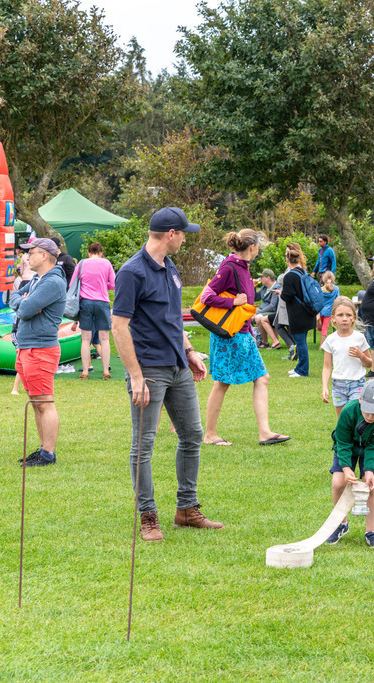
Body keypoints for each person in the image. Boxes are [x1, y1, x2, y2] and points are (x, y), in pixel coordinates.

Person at [111, 206, 224, 542]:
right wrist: (136, 375)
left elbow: (173, 318)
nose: (185, 238)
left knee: (192, 434)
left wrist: (189, 351)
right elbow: (119, 325)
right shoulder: (132, 272)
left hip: (177, 366)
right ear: (171, 234)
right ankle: (148, 517)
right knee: (143, 445)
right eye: (183, 233)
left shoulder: (169, 266)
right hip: (149, 370)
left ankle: (186, 510)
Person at [200, 229, 290, 446]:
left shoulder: (243, 267)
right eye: (259, 247)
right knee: (222, 383)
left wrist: (249, 331)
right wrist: (232, 303)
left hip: (243, 334)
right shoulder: (229, 266)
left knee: (262, 378)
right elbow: (206, 296)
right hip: (228, 336)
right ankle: (210, 435)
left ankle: (265, 432)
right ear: (252, 247)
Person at [9, 237, 68, 467]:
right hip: (28, 347)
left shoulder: (52, 282)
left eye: (30, 252)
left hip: (40, 348)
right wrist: (22, 301)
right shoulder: (37, 279)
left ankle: (48, 454)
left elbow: (24, 310)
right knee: (35, 401)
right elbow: (15, 295)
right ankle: (43, 448)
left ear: (44, 255)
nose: (26, 256)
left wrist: (24, 303)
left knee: (44, 402)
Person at [324, 378, 374, 549]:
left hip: (371, 449)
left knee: (372, 485)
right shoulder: (348, 411)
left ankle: (371, 531)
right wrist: (346, 468)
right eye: (367, 411)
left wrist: (369, 470)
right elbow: (343, 442)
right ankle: (341, 524)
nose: (370, 417)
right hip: (347, 447)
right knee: (338, 482)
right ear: (361, 400)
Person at [321, 296, 372, 418]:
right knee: (342, 419)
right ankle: (343, 438)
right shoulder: (330, 340)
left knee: (356, 416)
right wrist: (324, 387)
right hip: (338, 385)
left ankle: (357, 437)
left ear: (354, 318)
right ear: (333, 318)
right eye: (340, 315)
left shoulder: (359, 337)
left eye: (349, 315)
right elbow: (327, 367)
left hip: (357, 384)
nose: (345, 319)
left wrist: (361, 356)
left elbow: (370, 364)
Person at [72, 241, 115, 379]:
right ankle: (106, 371)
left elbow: (73, 283)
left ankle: (85, 371)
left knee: (85, 339)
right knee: (104, 339)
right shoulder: (106, 263)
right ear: (101, 253)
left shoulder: (82, 263)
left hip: (86, 302)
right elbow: (113, 284)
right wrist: (103, 285)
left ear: (89, 253)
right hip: (102, 302)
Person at [279, 242, 317, 378]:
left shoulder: (290, 276)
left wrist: (280, 293)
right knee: (302, 342)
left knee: (300, 343)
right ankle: (299, 367)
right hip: (307, 311)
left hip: (298, 314)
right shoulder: (303, 272)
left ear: (288, 260)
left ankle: (303, 370)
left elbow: (287, 296)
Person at [10, 249, 35, 396]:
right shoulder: (21, 309)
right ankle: (15, 388)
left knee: (24, 363)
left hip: (25, 335)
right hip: (18, 335)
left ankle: (24, 387)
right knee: (21, 362)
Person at [252, 269, 282, 349]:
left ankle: (265, 342)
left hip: (273, 312)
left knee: (258, 317)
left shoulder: (276, 287)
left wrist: (259, 312)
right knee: (246, 315)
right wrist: (254, 287)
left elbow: (272, 306)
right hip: (264, 311)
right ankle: (254, 340)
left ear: (268, 278)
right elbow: (256, 298)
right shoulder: (263, 288)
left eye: (262, 277)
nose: (260, 279)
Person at [317, 270, 340, 339]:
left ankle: (318, 323)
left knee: (320, 328)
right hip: (329, 311)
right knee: (324, 328)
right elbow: (337, 300)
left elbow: (318, 301)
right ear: (333, 279)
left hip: (320, 311)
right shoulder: (336, 289)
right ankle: (321, 346)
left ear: (324, 279)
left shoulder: (320, 289)